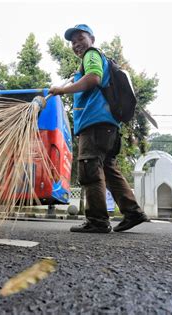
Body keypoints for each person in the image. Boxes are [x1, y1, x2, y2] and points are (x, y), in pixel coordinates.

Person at [49, 24, 148, 233]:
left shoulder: (92, 55)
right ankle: (133, 212)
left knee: (89, 169)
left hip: (95, 124)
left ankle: (97, 221)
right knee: (109, 170)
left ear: (91, 39)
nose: (76, 44)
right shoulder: (94, 58)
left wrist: (62, 90)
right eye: (73, 42)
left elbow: (93, 78)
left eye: (80, 38)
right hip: (109, 127)